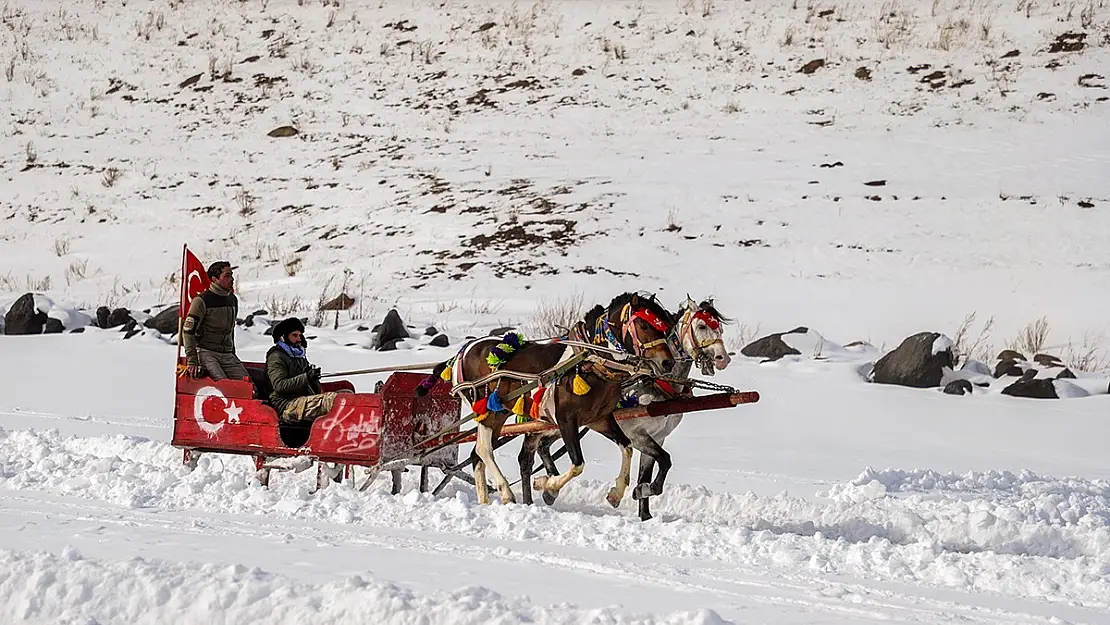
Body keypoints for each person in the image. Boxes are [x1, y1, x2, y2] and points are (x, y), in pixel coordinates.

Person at [182, 261, 248, 381]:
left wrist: (232, 353)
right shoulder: (201, 301)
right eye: (227, 275)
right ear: (214, 279)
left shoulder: (232, 299)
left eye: (231, 274)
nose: (232, 279)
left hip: (227, 354)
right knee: (223, 385)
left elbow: (230, 330)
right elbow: (188, 332)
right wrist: (192, 361)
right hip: (206, 353)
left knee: (247, 386)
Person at [266, 317, 340, 422]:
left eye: (300, 335)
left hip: (302, 399)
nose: (299, 339)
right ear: (283, 337)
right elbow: (279, 385)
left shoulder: (298, 356)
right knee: (334, 401)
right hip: (286, 404)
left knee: (345, 396)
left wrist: (313, 378)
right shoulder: (276, 357)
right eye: (294, 335)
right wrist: (306, 377)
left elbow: (315, 391)